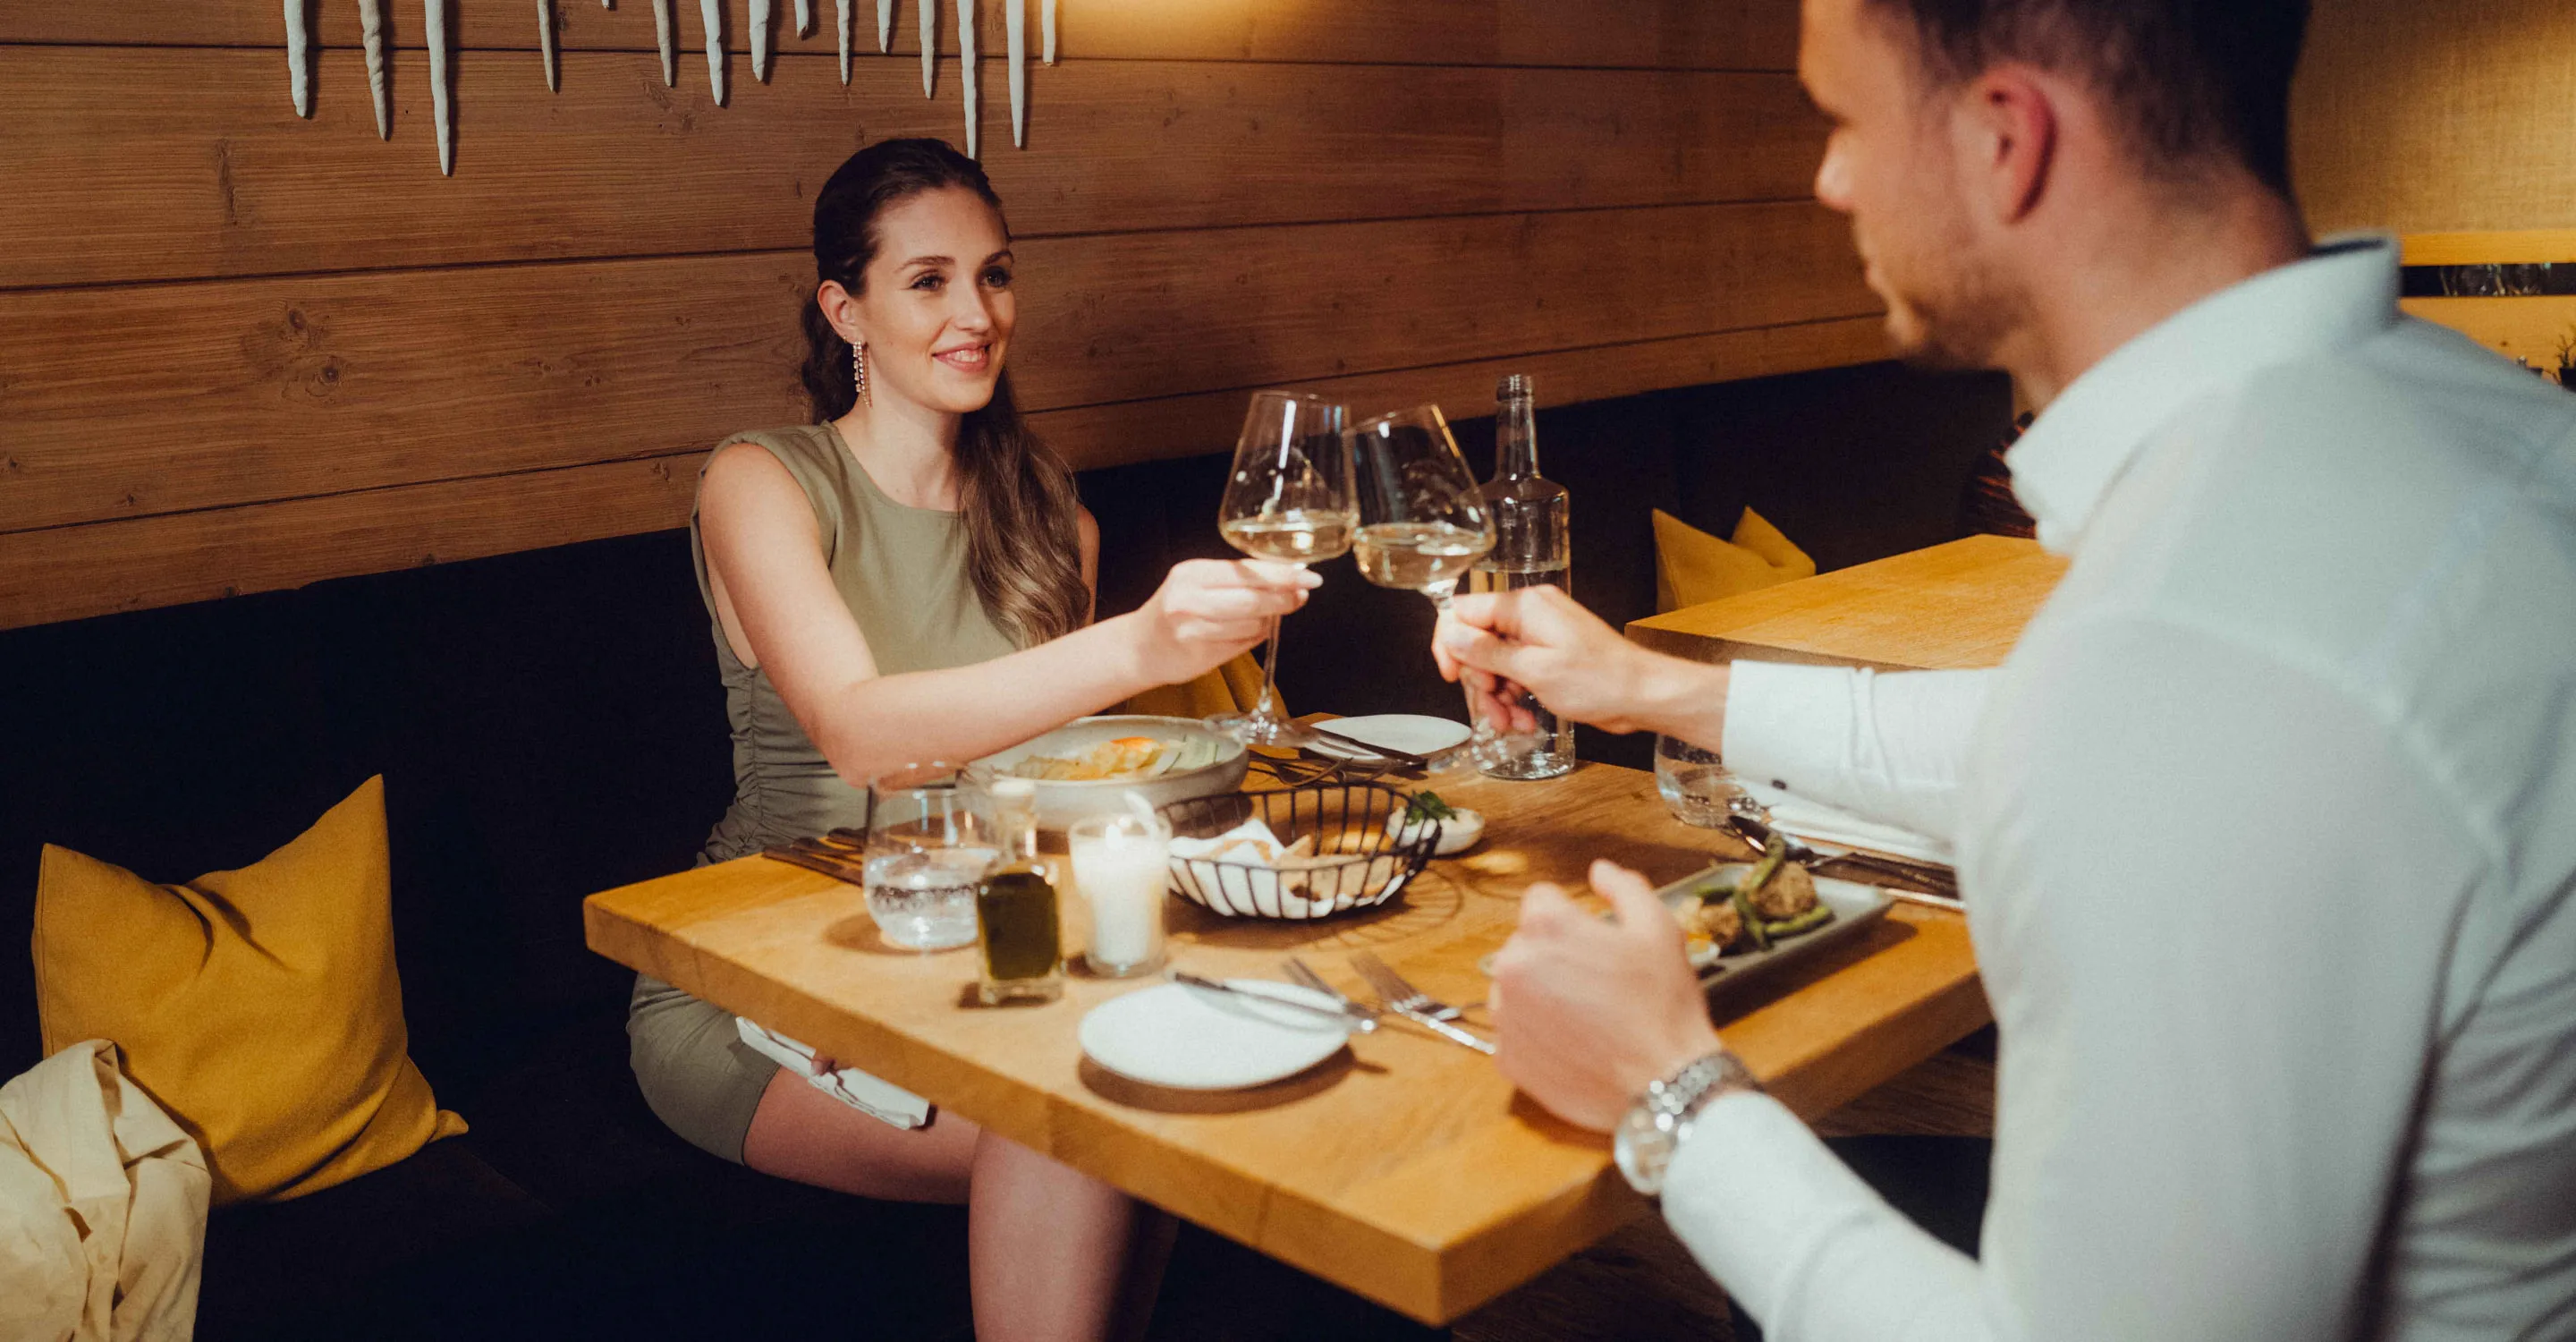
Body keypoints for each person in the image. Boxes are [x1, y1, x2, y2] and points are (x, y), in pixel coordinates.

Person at [1436, 0, 2576, 1337]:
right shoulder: (2483, 428)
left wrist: (1668, 1090)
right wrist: (1663, 691)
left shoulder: (2199, 631)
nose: (1829, 178)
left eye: (1846, 119)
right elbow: (2104, 749)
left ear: (2005, 139)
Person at [626, 138, 1316, 1342]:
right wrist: (1145, 650)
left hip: (979, 946)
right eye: (929, 280)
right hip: (766, 970)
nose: (976, 313)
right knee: (1092, 1119)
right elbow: (861, 738)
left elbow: (1054, 785)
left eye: (995, 277)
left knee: (1229, 1048)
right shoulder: (762, 480)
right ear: (847, 309)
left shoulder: (1050, 514)